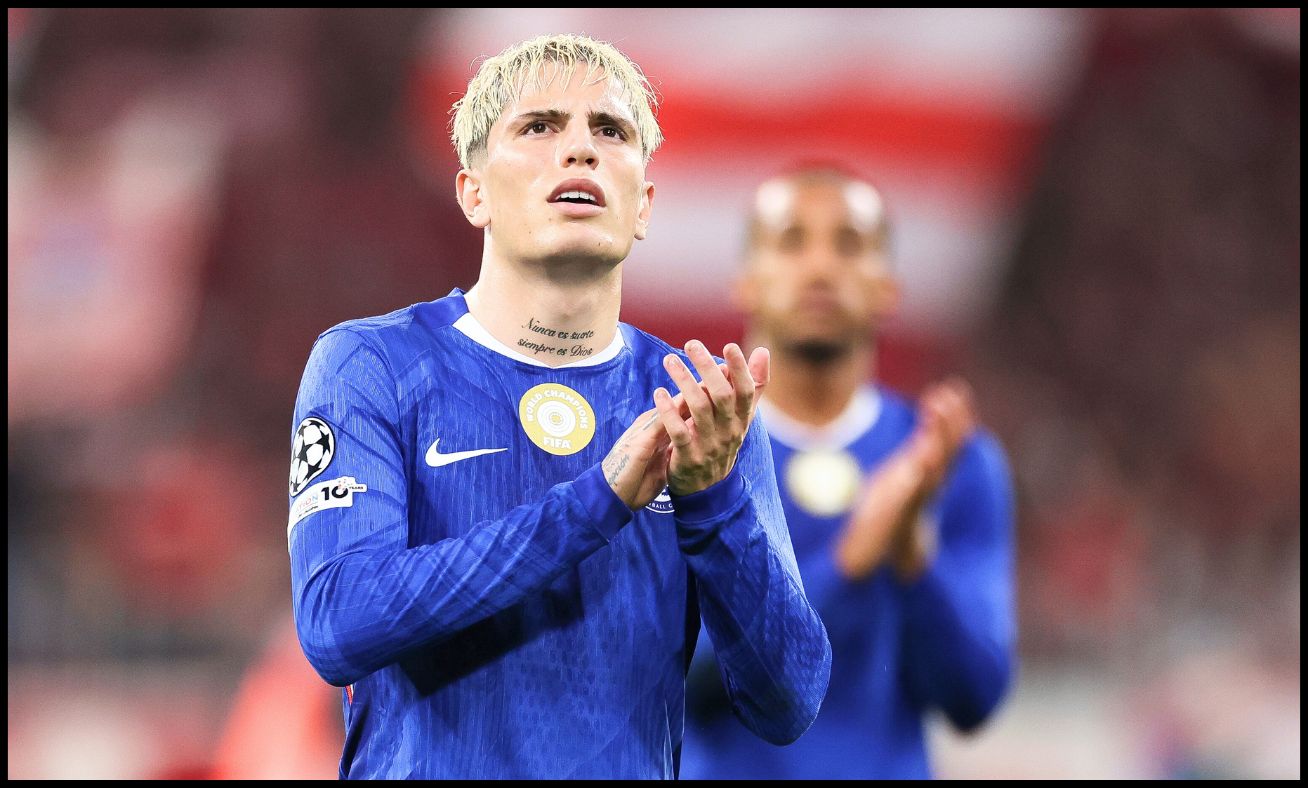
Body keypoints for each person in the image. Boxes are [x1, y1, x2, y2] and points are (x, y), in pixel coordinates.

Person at [286, 34, 830, 779]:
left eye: (610, 132)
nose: (580, 151)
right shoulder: (373, 365)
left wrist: (713, 501)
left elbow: (788, 702)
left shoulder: (697, 410)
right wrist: (597, 501)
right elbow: (338, 623)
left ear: (643, 203)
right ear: (473, 191)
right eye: (539, 127)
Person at [680, 166, 1016, 779]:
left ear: (888, 286)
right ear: (746, 281)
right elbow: (669, 680)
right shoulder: (688, 454)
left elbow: (975, 698)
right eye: (791, 242)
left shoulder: (952, 461)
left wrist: (912, 550)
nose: (820, 268)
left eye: (849, 244)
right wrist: (849, 562)